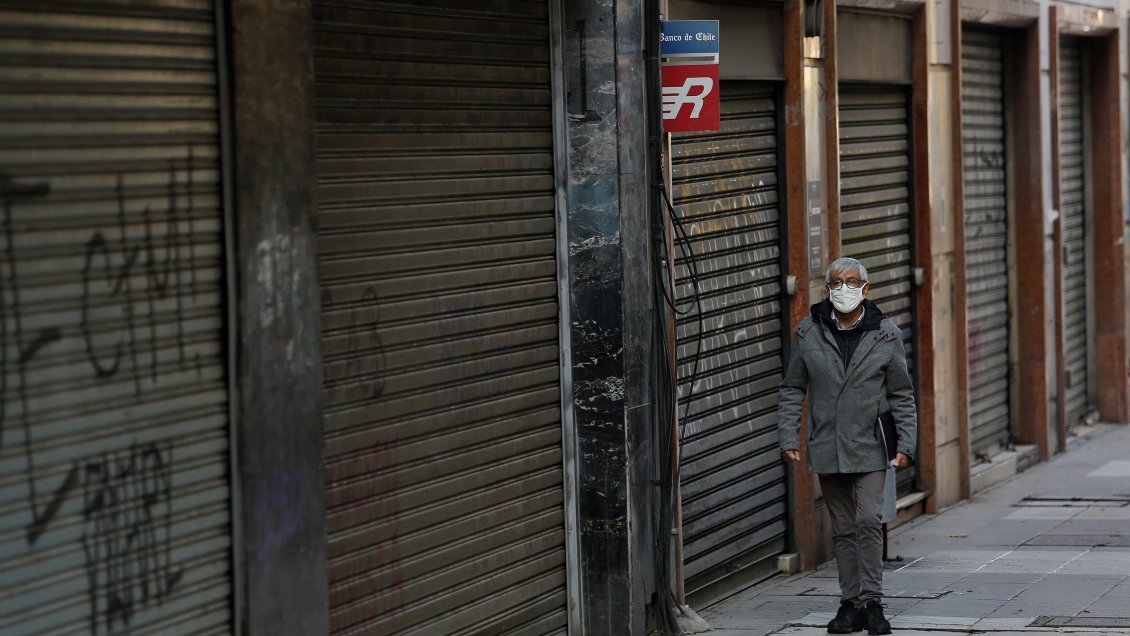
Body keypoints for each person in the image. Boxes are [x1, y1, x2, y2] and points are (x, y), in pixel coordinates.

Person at [777, 256, 917, 635]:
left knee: (868, 520)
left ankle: (873, 602)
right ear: (827, 289)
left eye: (851, 282)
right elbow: (793, 388)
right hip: (827, 445)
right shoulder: (808, 332)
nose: (843, 289)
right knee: (842, 527)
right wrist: (789, 436)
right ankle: (849, 604)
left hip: (871, 445)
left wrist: (907, 443)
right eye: (836, 282)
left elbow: (901, 393)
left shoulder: (886, 334)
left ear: (866, 289)